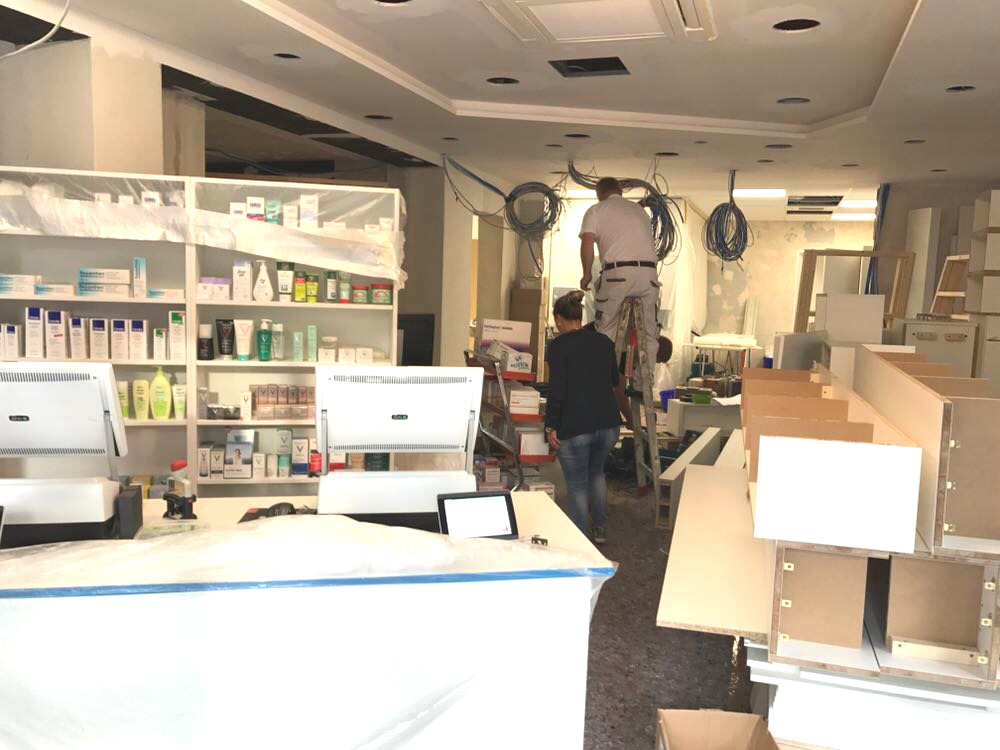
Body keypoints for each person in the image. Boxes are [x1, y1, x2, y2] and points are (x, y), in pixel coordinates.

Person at [545, 291, 621, 543]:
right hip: (608, 424)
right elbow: (614, 381)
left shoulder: (558, 347)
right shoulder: (605, 343)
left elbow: (557, 390)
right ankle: (600, 529)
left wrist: (551, 425)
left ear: (559, 319)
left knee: (577, 483)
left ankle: (581, 540)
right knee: (596, 474)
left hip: (575, 426)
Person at [579, 176, 660, 372]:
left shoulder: (596, 210)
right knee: (649, 333)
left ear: (599, 194)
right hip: (648, 276)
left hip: (619, 275)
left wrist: (587, 274)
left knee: (606, 328)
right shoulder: (640, 211)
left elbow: (587, 243)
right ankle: (644, 381)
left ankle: (603, 378)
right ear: (620, 191)